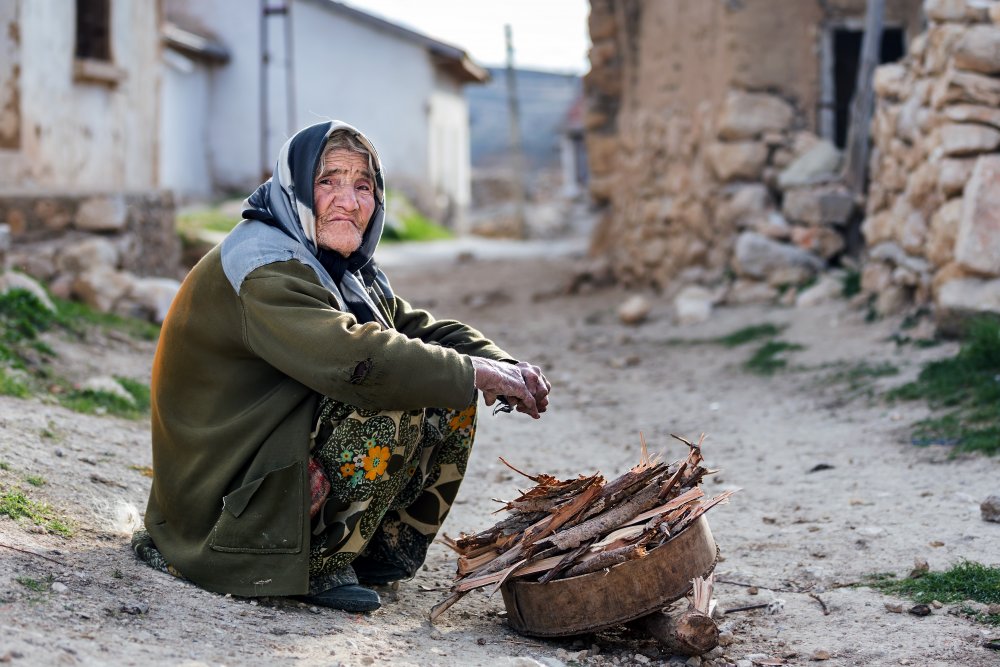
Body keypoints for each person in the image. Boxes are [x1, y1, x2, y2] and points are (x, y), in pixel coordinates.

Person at [132, 120, 550, 612]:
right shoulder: (265, 265)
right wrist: (473, 374)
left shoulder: (337, 265)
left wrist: (499, 364)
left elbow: (414, 329)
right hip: (214, 499)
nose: (348, 201)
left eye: (362, 185)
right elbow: (357, 358)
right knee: (394, 388)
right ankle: (309, 564)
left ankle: (370, 551)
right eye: (327, 181)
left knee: (441, 381)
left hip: (264, 445)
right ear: (294, 189)